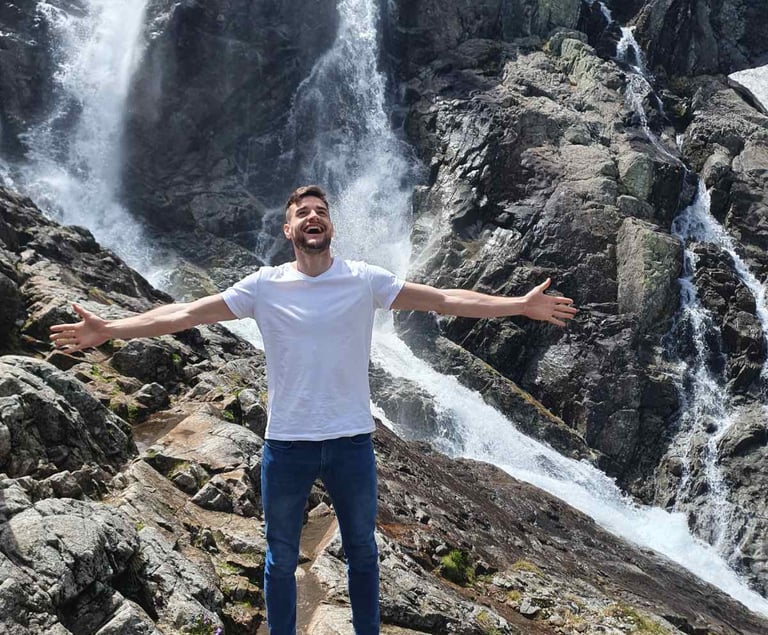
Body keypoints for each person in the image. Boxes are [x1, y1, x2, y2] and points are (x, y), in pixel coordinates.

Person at [50, 185, 578, 634]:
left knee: (363, 553)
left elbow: (442, 299)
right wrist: (109, 329)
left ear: (330, 226)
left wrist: (520, 305)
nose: (312, 217)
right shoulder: (263, 286)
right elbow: (185, 313)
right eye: (302, 212)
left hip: (351, 443)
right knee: (280, 558)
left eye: (320, 211)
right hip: (287, 445)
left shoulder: (364, 279)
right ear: (288, 230)